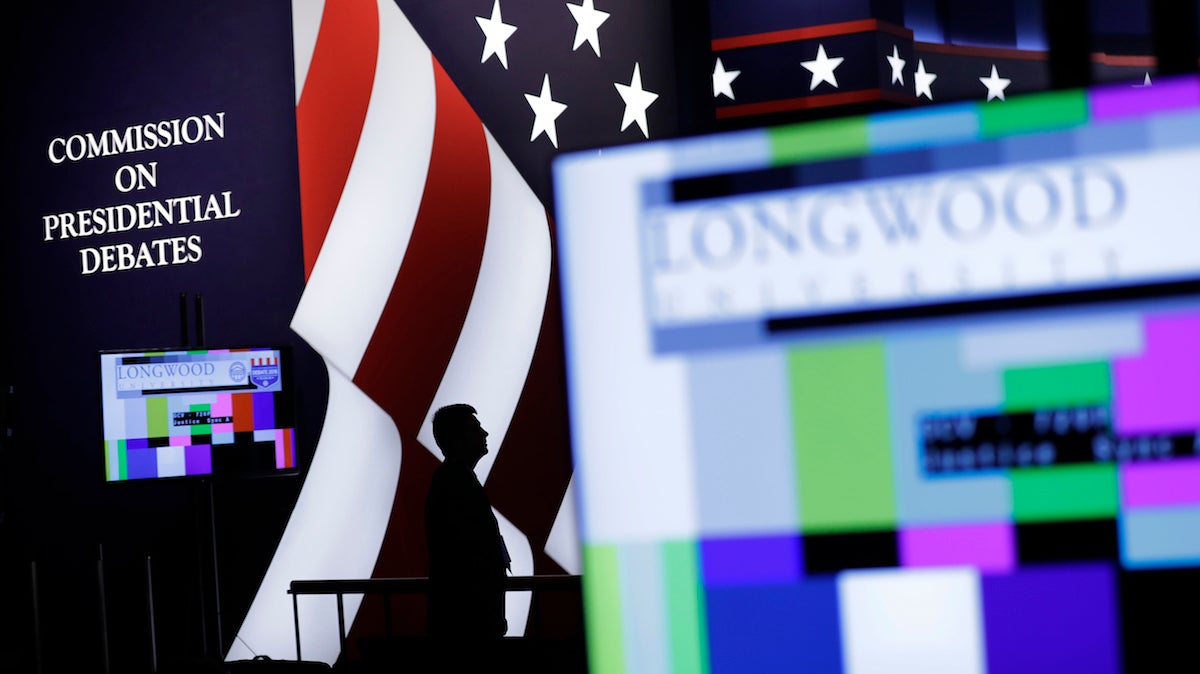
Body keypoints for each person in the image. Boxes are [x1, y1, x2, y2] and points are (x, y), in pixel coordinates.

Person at [425, 403, 510, 651]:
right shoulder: (455, 483)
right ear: (458, 439)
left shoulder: (454, 479)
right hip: (468, 624)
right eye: (475, 429)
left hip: (466, 621)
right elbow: (469, 554)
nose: (485, 434)